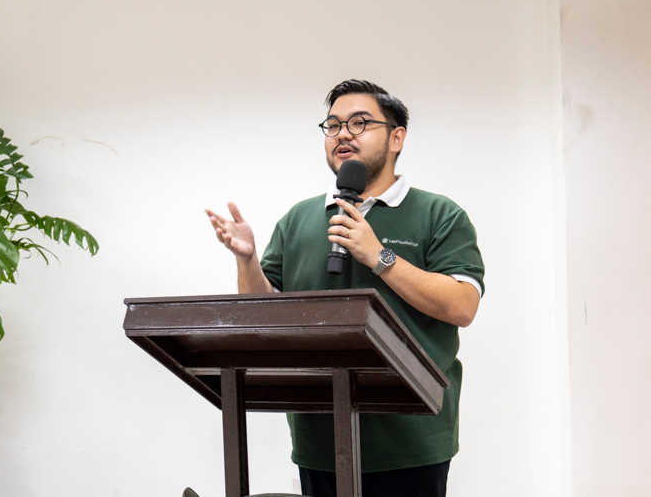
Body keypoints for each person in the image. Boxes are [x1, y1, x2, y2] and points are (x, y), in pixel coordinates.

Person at [205, 80, 485, 497]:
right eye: (333, 125)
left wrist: (379, 256)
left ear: (397, 137)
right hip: (320, 437)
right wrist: (246, 260)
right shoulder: (300, 219)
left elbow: (463, 306)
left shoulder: (438, 214)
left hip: (412, 441)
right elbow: (260, 313)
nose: (343, 134)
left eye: (359, 122)